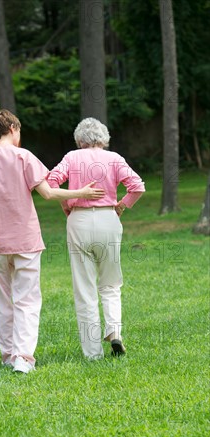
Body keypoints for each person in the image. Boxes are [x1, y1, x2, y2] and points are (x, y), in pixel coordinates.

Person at [0, 110, 105, 373]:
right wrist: (81, 192)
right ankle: (23, 358)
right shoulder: (23, 156)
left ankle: (7, 356)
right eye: (19, 130)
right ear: (13, 128)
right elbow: (48, 194)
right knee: (27, 299)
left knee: (2, 300)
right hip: (25, 240)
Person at [47, 117, 145, 360]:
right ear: (104, 138)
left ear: (80, 140)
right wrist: (122, 205)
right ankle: (114, 332)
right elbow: (138, 186)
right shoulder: (114, 158)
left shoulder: (71, 157)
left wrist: (67, 203)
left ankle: (93, 353)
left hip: (78, 221)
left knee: (85, 288)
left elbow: (50, 183)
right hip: (108, 220)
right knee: (111, 284)